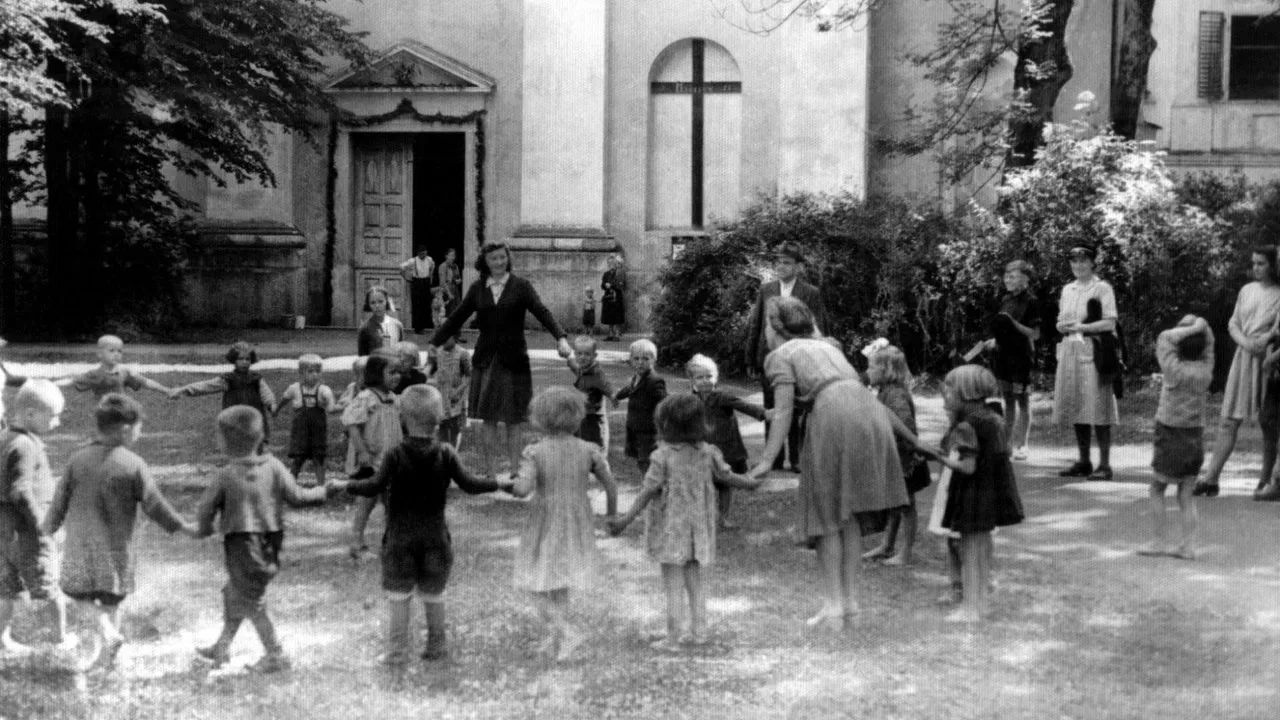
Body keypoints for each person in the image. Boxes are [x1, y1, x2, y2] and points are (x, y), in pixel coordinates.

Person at [747, 297, 926, 629]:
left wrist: (767, 460)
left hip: (833, 415)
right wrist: (914, 441)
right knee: (849, 515)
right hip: (866, 411)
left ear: (775, 328)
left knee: (826, 516)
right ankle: (849, 605)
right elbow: (846, 393)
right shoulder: (828, 348)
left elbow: (784, 410)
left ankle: (832, 607)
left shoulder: (779, 356)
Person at [332, 386, 511, 665]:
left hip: (400, 542)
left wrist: (345, 485)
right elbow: (471, 484)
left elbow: (373, 485)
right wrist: (500, 482)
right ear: (439, 419)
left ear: (401, 418)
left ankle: (396, 652)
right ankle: (437, 647)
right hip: (436, 541)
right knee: (434, 595)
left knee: (399, 596)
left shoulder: (394, 454)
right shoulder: (446, 453)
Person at [43, 394, 198, 670]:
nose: (140, 432)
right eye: (139, 427)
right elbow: (154, 504)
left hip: (80, 546)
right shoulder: (133, 464)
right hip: (117, 551)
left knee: (79, 594)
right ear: (126, 429)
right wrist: (181, 525)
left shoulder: (78, 459)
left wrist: (48, 528)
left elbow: (59, 500)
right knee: (111, 601)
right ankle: (108, 647)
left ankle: (106, 643)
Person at [608, 394, 762, 651]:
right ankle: (699, 632)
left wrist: (624, 520)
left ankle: (672, 638)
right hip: (697, 530)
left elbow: (646, 492)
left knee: (673, 585)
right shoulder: (709, 453)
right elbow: (729, 476)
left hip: (671, 531)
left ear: (665, 424)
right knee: (695, 582)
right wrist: (751, 482)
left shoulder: (662, 456)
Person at [192, 406, 334, 671]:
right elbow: (298, 497)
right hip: (269, 543)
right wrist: (324, 491)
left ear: (225, 442)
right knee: (235, 591)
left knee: (251, 601)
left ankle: (276, 653)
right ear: (259, 438)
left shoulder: (225, 475)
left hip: (243, 545)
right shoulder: (275, 466)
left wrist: (201, 528)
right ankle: (222, 647)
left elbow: (205, 510)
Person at [431, 242, 573, 481]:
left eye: (502, 258)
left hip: (514, 359)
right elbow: (457, 318)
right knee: (489, 418)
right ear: (485, 262)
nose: (499, 262)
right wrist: (435, 341)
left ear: (508, 259)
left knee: (513, 418)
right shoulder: (477, 289)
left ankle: (515, 471)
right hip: (486, 359)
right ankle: (489, 473)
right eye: (493, 259)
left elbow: (542, 311)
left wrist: (561, 338)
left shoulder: (521, 286)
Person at [511, 387, 617, 661]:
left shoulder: (536, 452)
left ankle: (566, 632)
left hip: (546, 521)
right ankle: (557, 639)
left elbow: (523, 489)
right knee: (559, 582)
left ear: (541, 419)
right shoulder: (589, 450)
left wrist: (507, 484)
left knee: (536, 583)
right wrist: (611, 515)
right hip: (577, 520)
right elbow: (611, 485)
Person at [933, 365, 1025, 623]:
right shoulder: (994, 418)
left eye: (949, 389)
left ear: (965, 392)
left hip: (973, 495)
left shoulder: (966, 424)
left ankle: (970, 609)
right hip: (992, 493)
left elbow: (968, 466)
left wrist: (939, 457)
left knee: (970, 552)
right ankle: (980, 604)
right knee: (981, 550)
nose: (945, 394)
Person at [1195, 247, 1280, 497]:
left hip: (1268, 360)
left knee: (1270, 423)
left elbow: (1277, 329)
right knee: (1228, 420)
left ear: (1273, 266)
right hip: (1244, 357)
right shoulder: (1247, 290)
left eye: (1261, 263)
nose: (1256, 268)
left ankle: (1265, 481)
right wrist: (1245, 342)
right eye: (1253, 263)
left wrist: (1265, 342)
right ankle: (1211, 478)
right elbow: (1233, 323)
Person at [0, 380, 71, 655]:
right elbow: (20, 491)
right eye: (53, 415)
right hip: (27, 533)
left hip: (4, 531)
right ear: (30, 414)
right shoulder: (24, 445)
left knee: (6, 588)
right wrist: (44, 525)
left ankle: (2, 639)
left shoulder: (4, 437)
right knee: (49, 587)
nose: (58, 422)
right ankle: (60, 639)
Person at [744, 242, 827, 472]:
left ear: (798, 266)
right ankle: (776, 458)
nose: (781, 266)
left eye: (787, 262)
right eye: (778, 262)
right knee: (772, 406)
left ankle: (798, 458)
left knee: (798, 409)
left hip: (800, 360)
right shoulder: (766, 289)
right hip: (770, 358)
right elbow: (757, 325)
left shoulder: (810, 292)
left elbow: (817, 326)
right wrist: (751, 358)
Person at [1140, 316, 1214, 558]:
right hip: (1195, 438)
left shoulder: (1173, 369)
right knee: (1186, 494)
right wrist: (1201, 326)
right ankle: (1188, 546)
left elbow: (1164, 338)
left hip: (1170, 435)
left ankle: (1158, 541)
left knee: (1157, 489)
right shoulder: (1205, 370)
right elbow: (1208, 341)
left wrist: (1191, 327)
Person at [1052, 245, 1121, 481]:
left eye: (1083, 261)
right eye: (1074, 261)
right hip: (1071, 348)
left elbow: (1110, 323)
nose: (1078, 265)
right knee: (1075, 403)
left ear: (1093, 263)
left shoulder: (1102, 288)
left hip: (1095, 350)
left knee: (1098, 405)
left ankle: (1105, 464)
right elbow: (1062, 318)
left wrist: (1083, 327)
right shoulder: (1067, 289)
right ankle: (1083, 461)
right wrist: (1061, 325)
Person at [860, 344, 931, 566]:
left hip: (905, 461)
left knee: (907, 506)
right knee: (894, 504)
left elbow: (905, 426)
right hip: (893, 459)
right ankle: (887, 545)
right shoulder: (885, 391)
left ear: (886, 370)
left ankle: (906, 552)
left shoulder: (896, 395)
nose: (867, 372)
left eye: (871, 367)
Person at [687, 354, 767, 530]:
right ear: (692, 380)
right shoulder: (691, 401)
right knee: (703, 484)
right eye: (700, 377)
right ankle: (704, 518)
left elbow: (743, 405)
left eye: (709, 376)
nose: (705, 381)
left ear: (715, 378)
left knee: (724, 485)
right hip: (703, 451)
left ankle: (724, 518)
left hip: (726, 450)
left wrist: (764, 414)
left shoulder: (722, 396)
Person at [342, 355, 402, 559]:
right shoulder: (367, 397)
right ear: (377, 374)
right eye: (392, 372)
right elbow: (351, 423)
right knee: (366, 502)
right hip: (371, 462)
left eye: (398, 372)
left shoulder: (394, 398)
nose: (397, 376)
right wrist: (362, 452)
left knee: (393, 503)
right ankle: (356, 543)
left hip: (390, 461)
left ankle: (392, 542)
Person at [984, 261, 1041, 460]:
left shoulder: (1031, 301)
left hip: (1021, 357)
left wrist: (1013, 322)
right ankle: (1006, 445)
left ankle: (1022, 445)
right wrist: (995, 340)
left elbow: (1034, 334)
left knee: (1022, 401)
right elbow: (1003, 328)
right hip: (1003, 356)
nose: (1008, 279)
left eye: (1013, 276)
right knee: (1007, 400)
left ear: (1025, 279)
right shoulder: (1006, 299)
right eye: (1007, 276)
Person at [171, 341, 276, 442]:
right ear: (234, 360)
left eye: (247, 359)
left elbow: (266, 393)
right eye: (240, 359)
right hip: (235, 421)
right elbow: (206, 386)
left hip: (254, 420)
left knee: (256, 446)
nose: (244, 362)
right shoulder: (228, 379)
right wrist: (183, 389)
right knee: (237, 448)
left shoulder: (256, 379)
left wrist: (271, 405)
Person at [271, 354, 335, 488]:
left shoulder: (322, 390)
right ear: (301, 373)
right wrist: (277, 409)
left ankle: (321, 486)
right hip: (301, 431)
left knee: (319, 457)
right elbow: (285, 399)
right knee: (298, 457)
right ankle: (290, 484)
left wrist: (330, 402)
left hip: (317, 431)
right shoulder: (295, 388)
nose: (315, 375)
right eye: (310, 371)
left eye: (318, 371)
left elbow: (330, 403)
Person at [64, 335, 172, 400]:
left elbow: (145, 382)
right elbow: (72, 381)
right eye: (111, 351)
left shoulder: (125, 372)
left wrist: (166, 390)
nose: (116, 354)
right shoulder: (94, 374)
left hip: (122, 413)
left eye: (119, 351)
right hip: (103, 415)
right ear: (99, 354)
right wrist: (50, 385)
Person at [615, 339, 666, 473]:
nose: (640, 362)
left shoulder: (655, 381)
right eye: (636, 358)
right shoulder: (637, 376)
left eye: (645, 359)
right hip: (634, 427)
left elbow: (665, 401)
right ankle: (649, 487)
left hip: (648, 431)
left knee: (647, 463)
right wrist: (617, 396)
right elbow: (631, 388)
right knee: (640, 460)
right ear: (631, 360)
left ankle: (652, 489)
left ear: (653, 360)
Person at [567, 336, 613, 450]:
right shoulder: (583, 368)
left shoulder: (596, 372)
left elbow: (606, 385)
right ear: (576, 354)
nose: (582, 357)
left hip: (594, 415)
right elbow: (575, 367)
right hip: (583, 412)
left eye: (587, 354)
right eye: (579, 353)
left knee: (596, 444)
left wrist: (613, 396)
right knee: (580, 439)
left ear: (594, 356)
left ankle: (598, 464)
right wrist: (569, 358)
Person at [430, 335, 471, 447]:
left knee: (454, 426)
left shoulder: (462, 354)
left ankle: (453, 449)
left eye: (447, 337)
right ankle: (443, 450)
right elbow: (430, 370)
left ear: (455, 337)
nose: (444, 340)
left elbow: (469, 376)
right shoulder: (437, 353)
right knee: (442, 424)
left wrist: (458, 391)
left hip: (455, 395)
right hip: (441, 394)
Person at [357, 286, 405, 357]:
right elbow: (362, 357)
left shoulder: (397, 325)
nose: (377, 305)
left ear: (386, 301)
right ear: (368, 305)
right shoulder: (364, 328)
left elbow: (401, 350)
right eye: (373, 303)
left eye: (380, 301)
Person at [400, 247, 436, 334]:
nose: (423, 255)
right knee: (417, 306)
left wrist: (430, 276)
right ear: (418, 253)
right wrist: (406, 277)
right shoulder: (412, 261)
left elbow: (432, 267)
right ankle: (418, 328)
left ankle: (426, 326)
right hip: (417, 282)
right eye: (421, 254)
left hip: (426, 281)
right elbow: (401, 267)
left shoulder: (429, 260)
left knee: (426, 305)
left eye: (425, 253)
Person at [601, 254, 627, 341]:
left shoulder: (620, 273)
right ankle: (610, 334)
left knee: (617, 317)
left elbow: (622, 285)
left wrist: (611, 285)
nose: (611, 265)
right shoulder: (606, 274)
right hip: (608, 297)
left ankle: (617, 335)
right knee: (609, 317)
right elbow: (602, 285)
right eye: (609, 263)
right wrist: (605, 285)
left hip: (617, 297)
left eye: (613, 263)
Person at [438, 248, 463, 323]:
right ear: (446, 256)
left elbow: (458, 279)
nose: (453, 257)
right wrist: (449, 294)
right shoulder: (443, 266)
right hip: (446, 290)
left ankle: (456, 330)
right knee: (448, 312)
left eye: (454, 256)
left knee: (457, 310)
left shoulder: (455, 266)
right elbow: (442, 282)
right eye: (451, 255)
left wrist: (458, 281)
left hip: (455, 289)